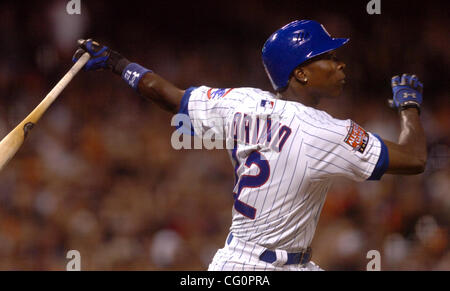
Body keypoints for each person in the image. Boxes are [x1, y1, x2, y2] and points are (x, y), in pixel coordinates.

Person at [72, 20, 427, 271]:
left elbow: (166, 94)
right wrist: (409, 109)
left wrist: (117, 63)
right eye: (329, 58)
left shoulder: (238, 101)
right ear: (301, 74)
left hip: (249, 261)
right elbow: (413, 159)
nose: (339, 63)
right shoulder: (325, 131)